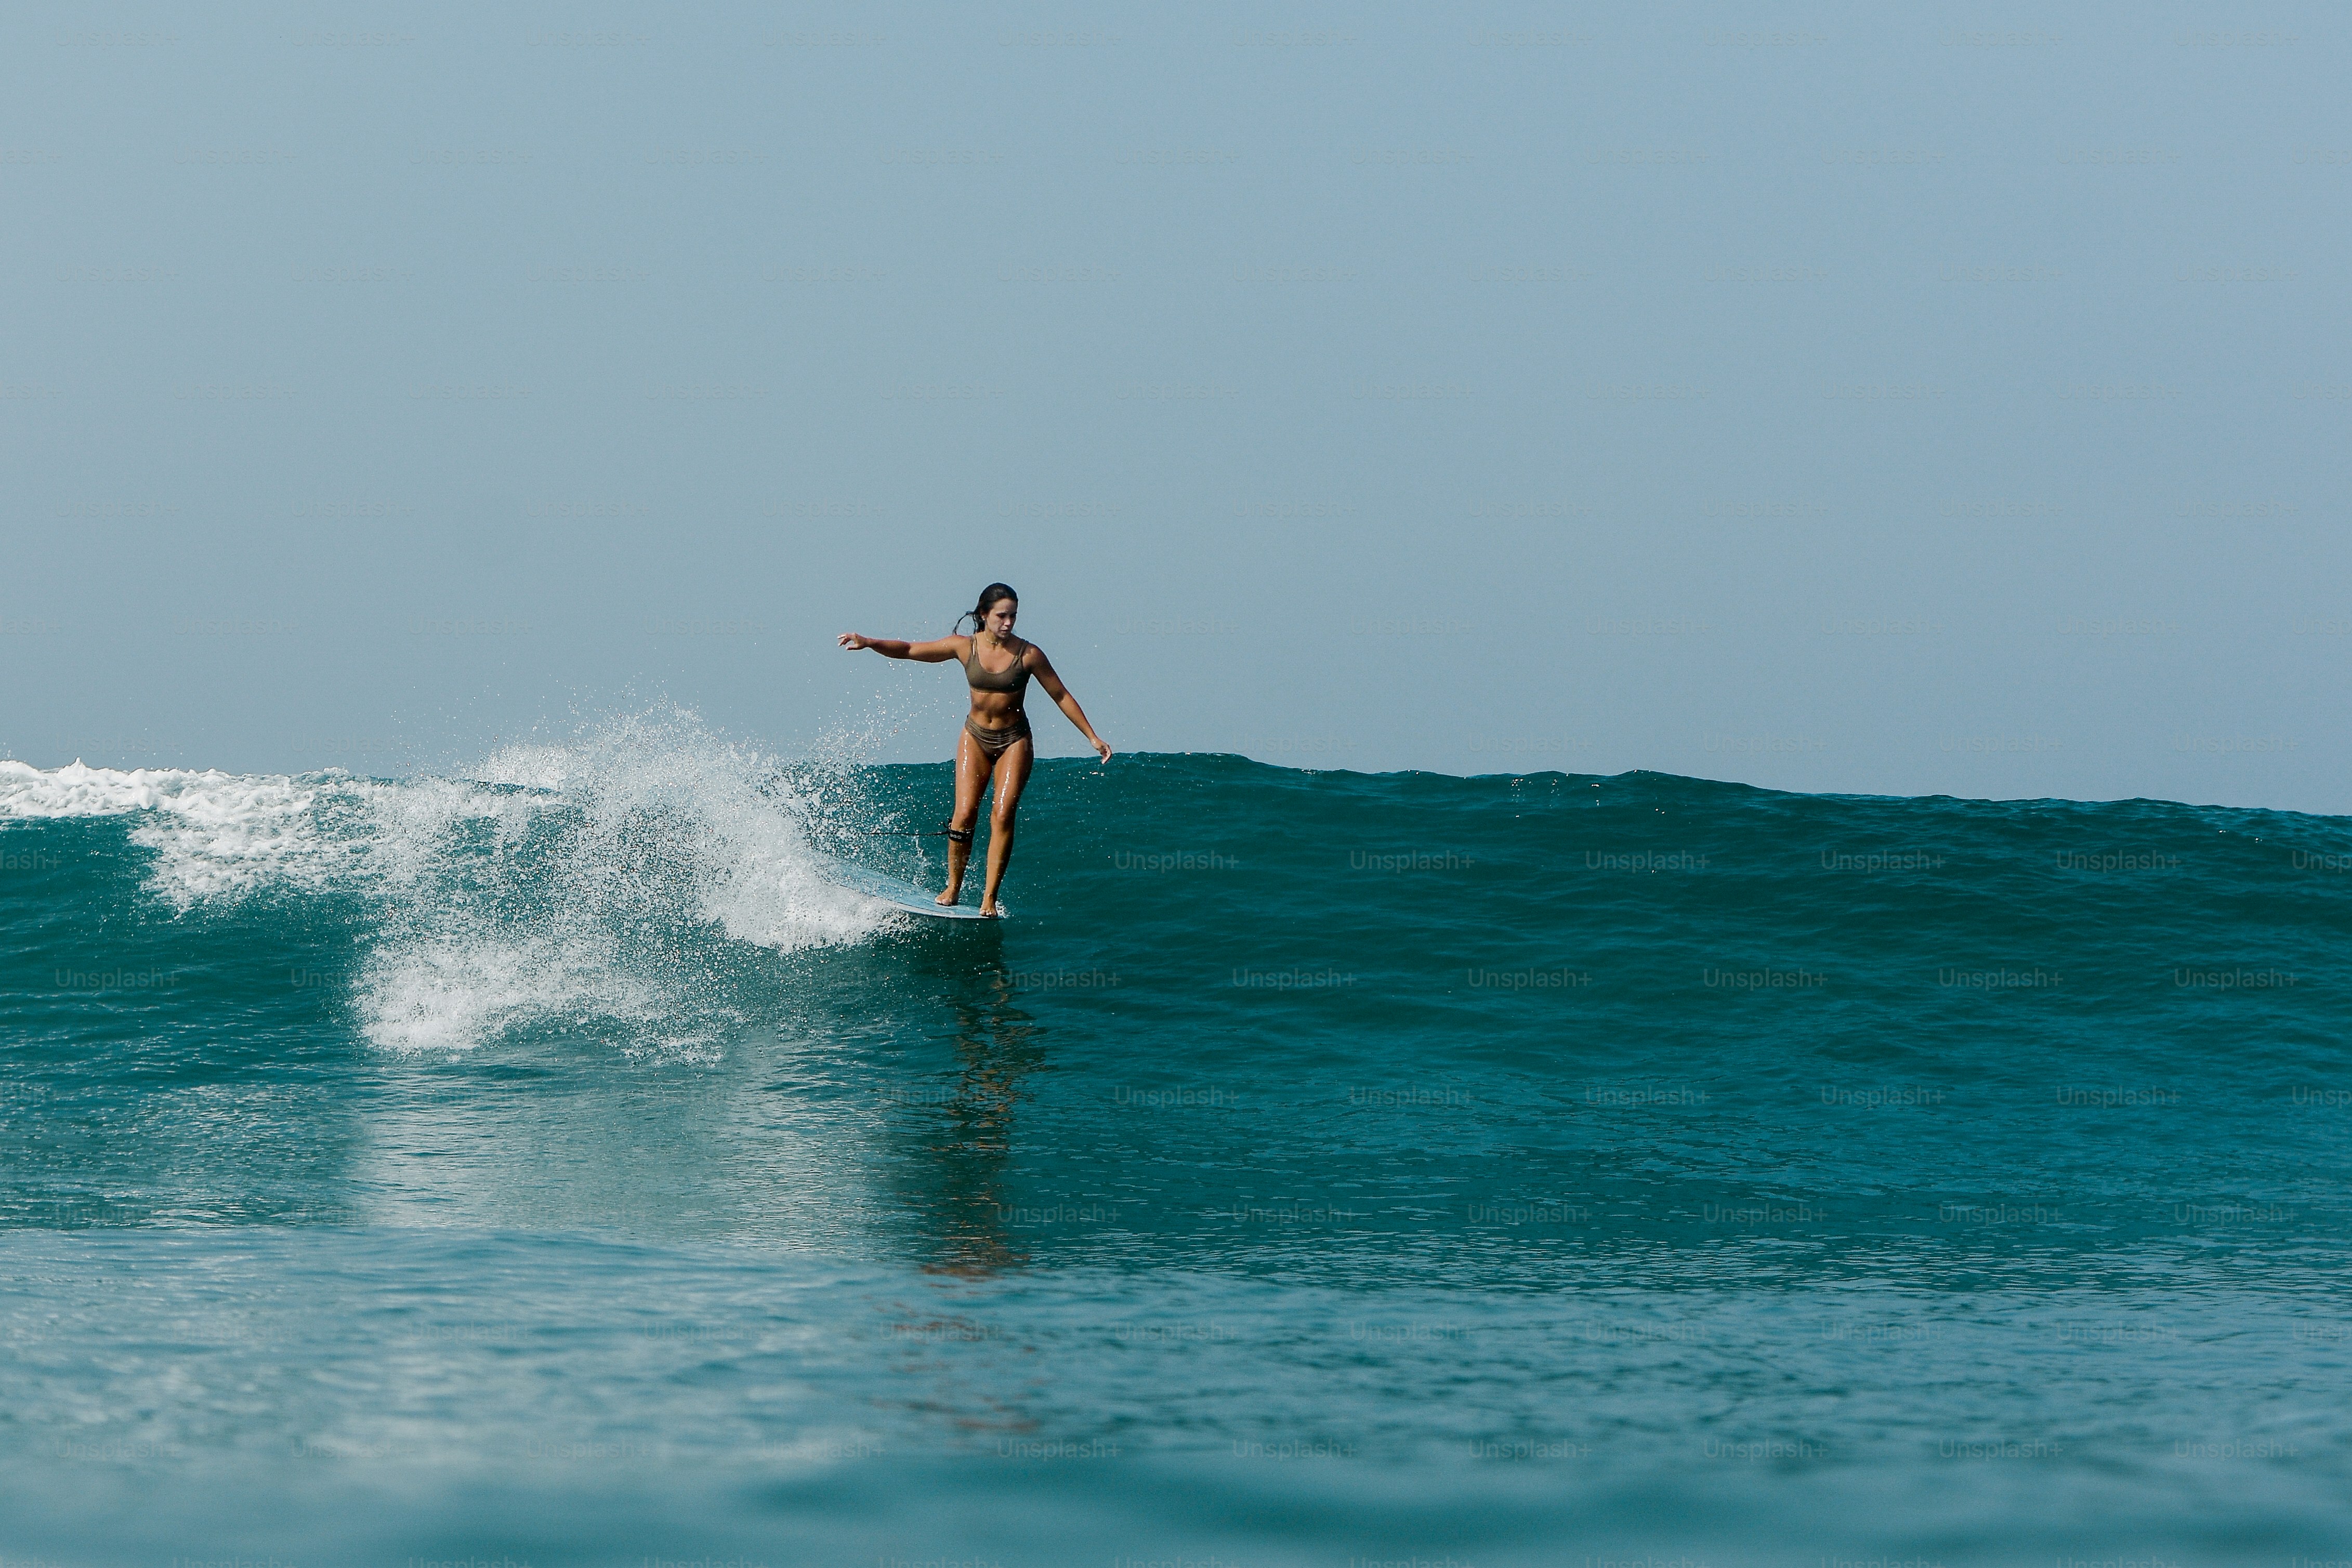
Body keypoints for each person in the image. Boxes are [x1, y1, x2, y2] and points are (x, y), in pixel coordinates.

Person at [838, 583, 1111, 916]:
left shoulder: (1029, 655)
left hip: (1014, 740)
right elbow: (910, 649)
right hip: (975, 737)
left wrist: (1092, 737)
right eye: (1001, 616)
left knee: (1002, 814)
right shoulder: (965, 647)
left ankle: (989, 897)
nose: (1008, 622)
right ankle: (953, 887)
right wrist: (869, 643)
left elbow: (1061, 695)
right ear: (984, 615)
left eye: (1013, 616)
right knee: (965, 814)